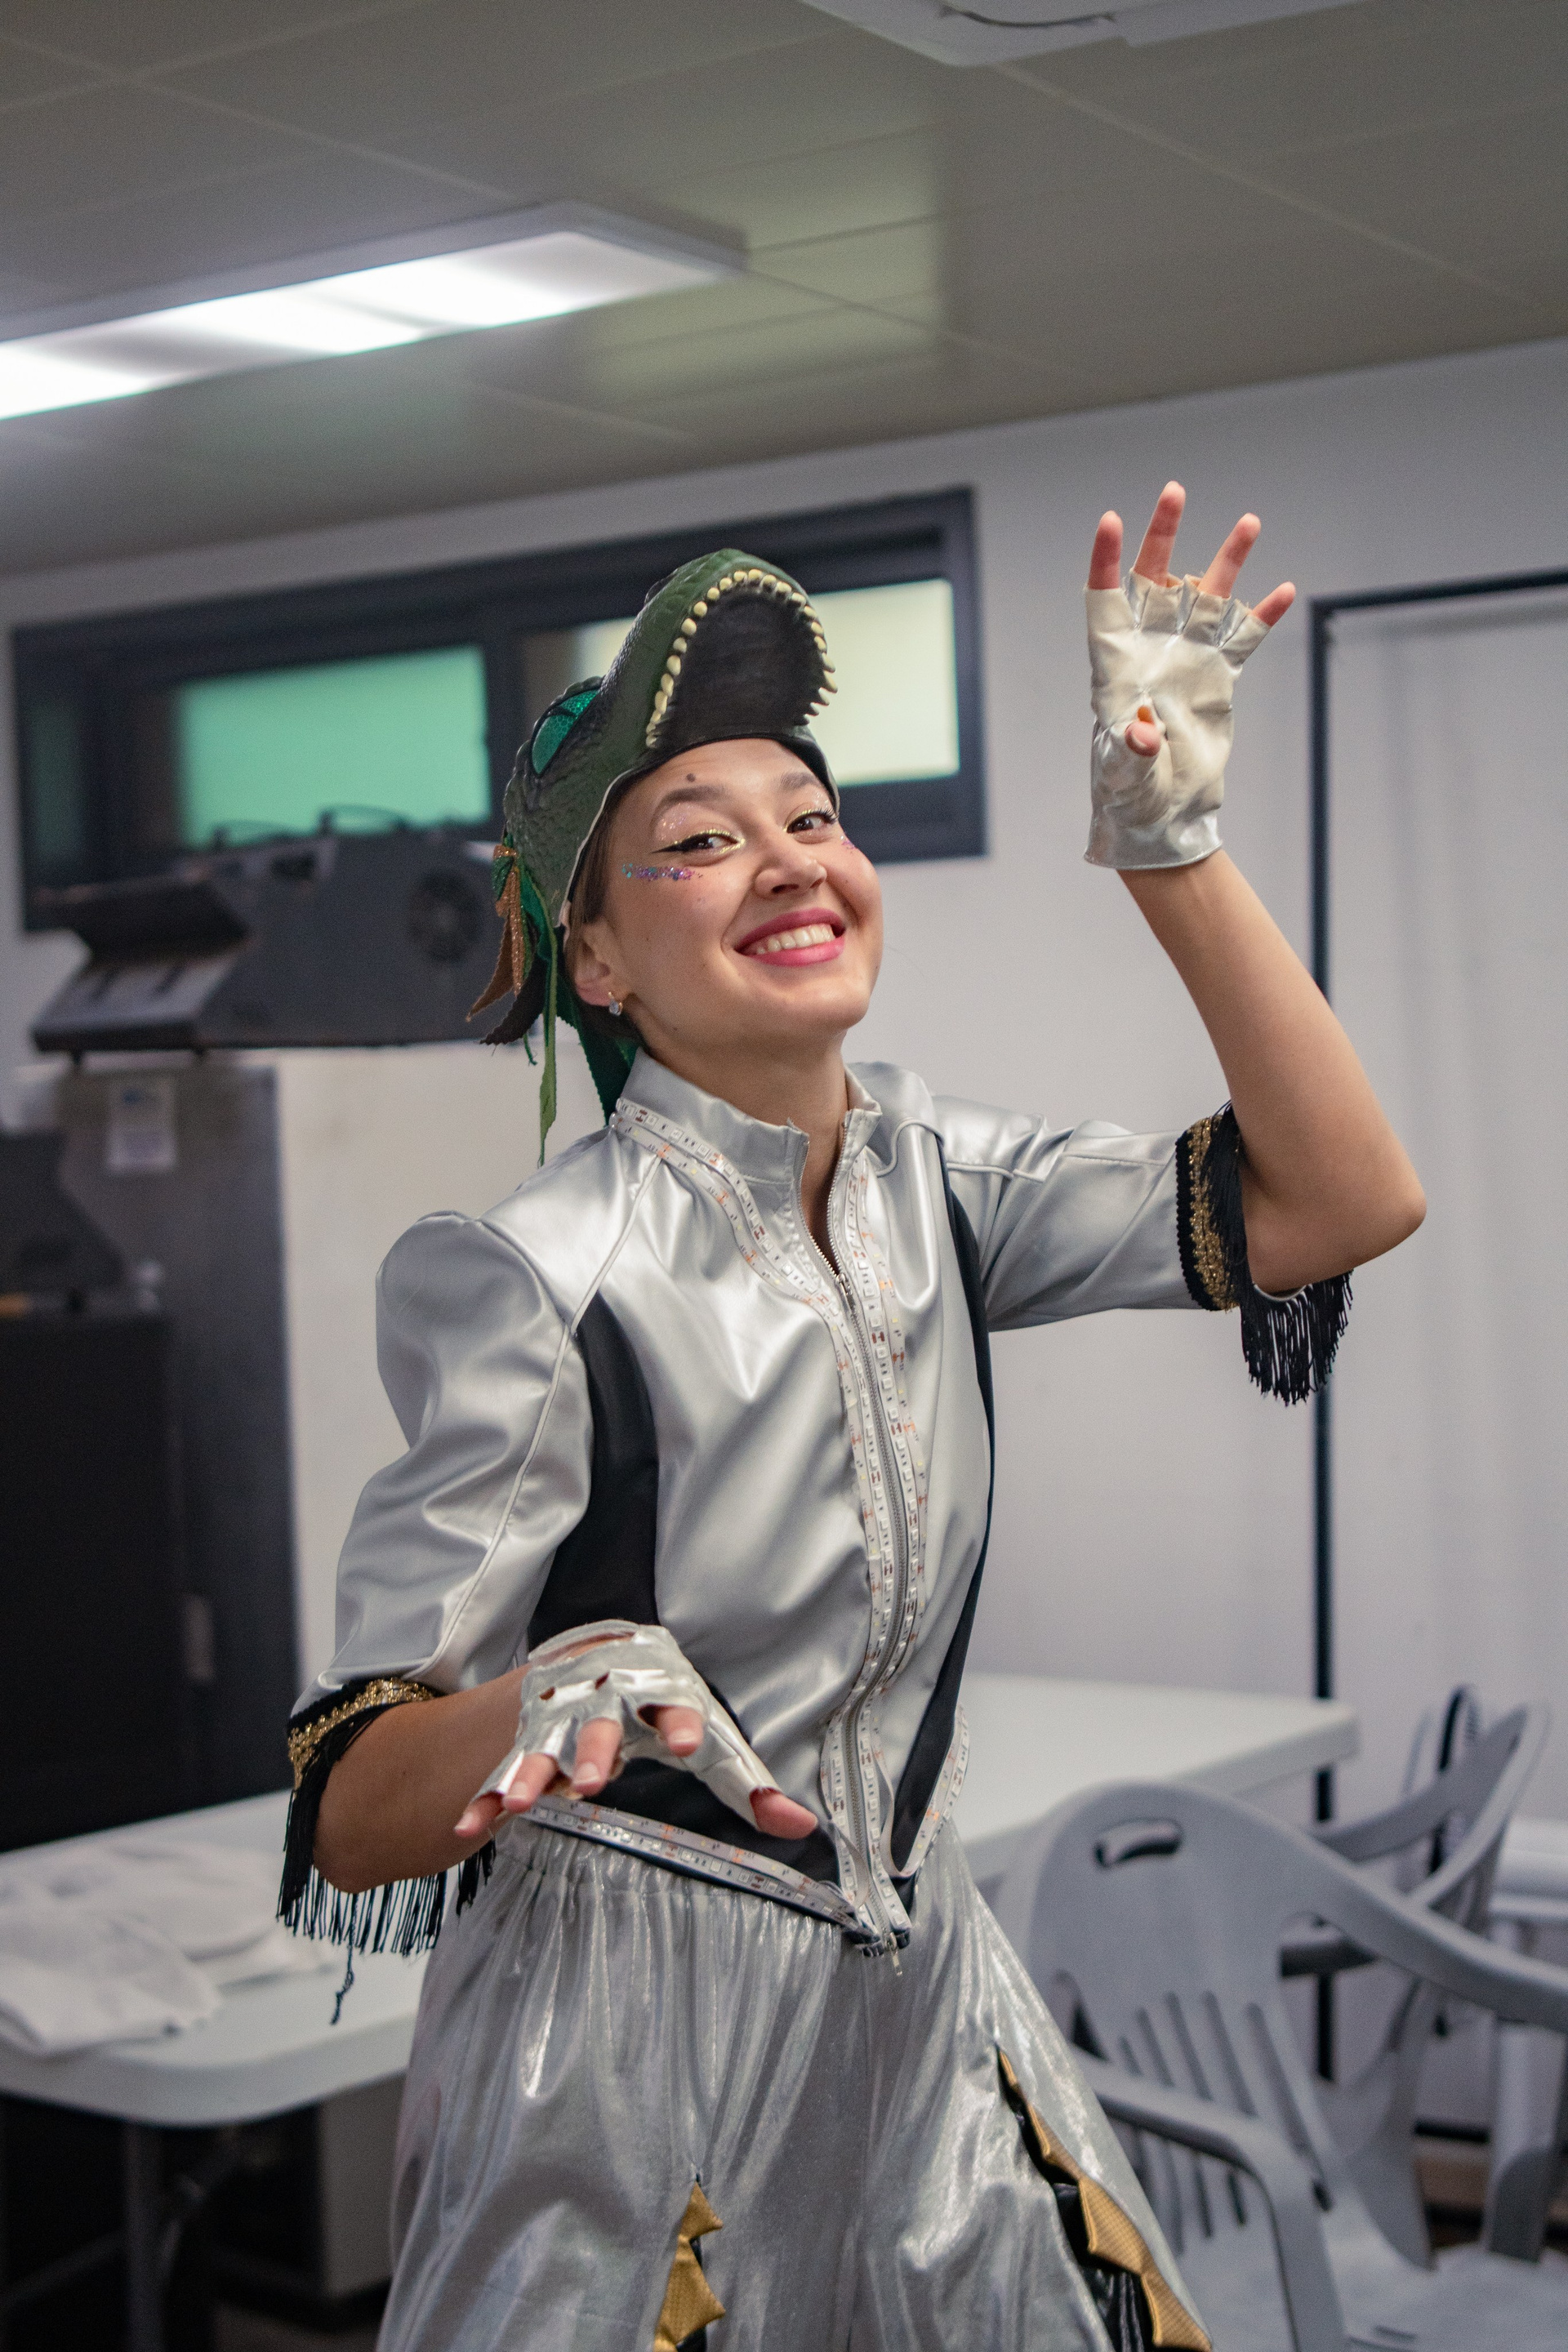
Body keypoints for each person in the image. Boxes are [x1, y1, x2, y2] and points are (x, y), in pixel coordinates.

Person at [280, 484, 1423, 2352]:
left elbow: (1345, 1196)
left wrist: (1168, 845)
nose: (788, 861)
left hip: (920, 2008)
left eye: (811, 818)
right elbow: (348, 1805)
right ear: (596, 961)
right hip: (621, 2063)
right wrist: (544, 1694)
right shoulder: (535, 1273)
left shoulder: (939, 1182)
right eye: (699, 841)